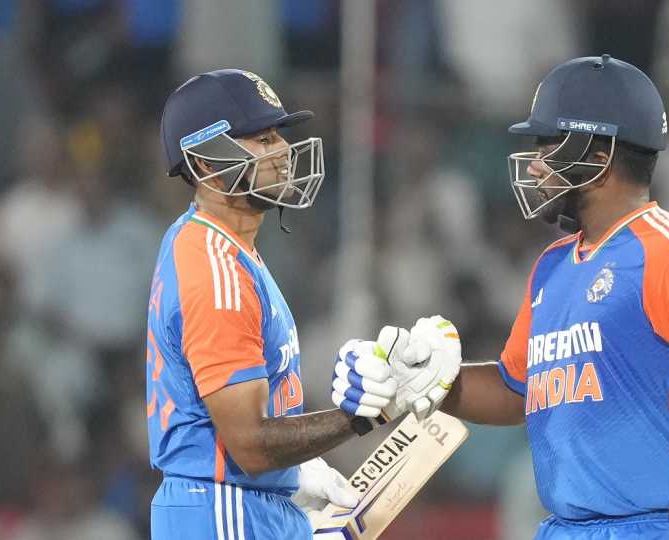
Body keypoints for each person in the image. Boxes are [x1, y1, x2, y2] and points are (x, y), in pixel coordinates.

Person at [437, 55, 669, 540]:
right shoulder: (552, 265)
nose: (536, 163)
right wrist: (425, 385)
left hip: (659, 527)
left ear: (599, 156)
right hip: (565, 528)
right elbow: (516, 391)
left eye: (549, 143)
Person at [146, 69, 455, 540]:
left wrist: (292, 477)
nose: (284, 152)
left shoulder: (226, 249)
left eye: (279, 137)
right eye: (262, 139)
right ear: (207, 162)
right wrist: (369, 413)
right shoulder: (215, 265)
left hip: (243, 502)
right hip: (224, 509)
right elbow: (249, 445)